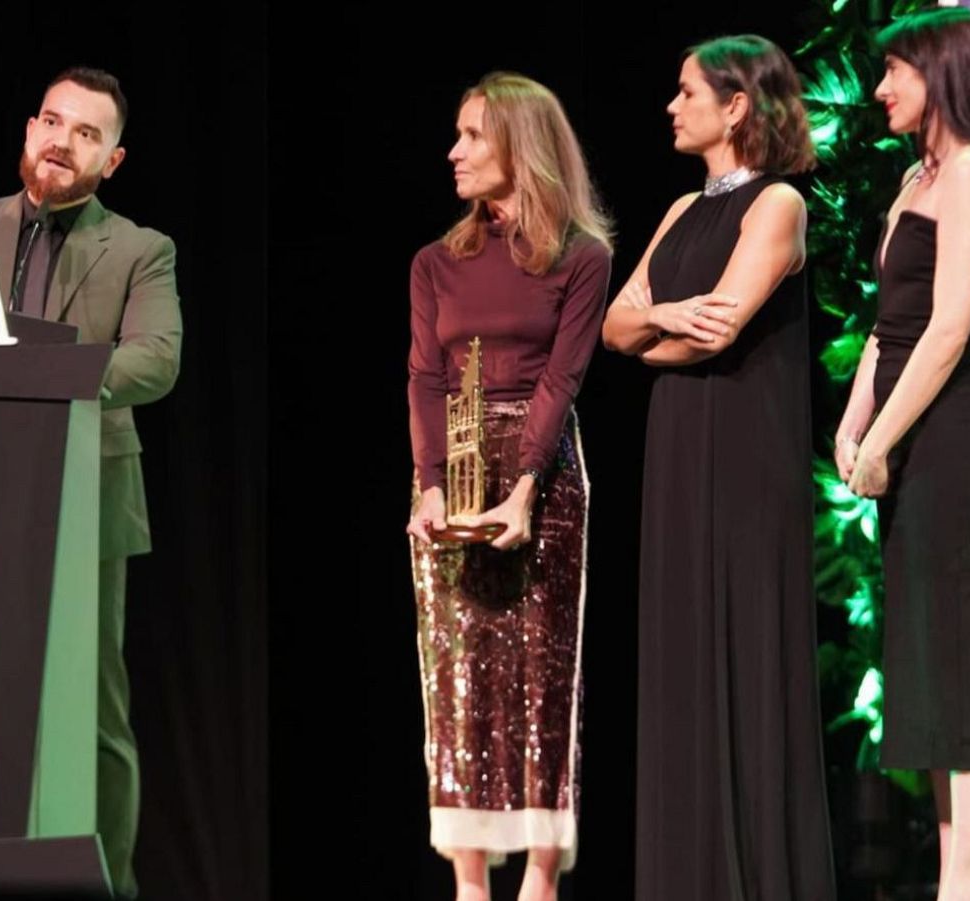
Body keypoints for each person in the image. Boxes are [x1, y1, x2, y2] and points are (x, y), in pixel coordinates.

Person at [0, 66, 182, 900]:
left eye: (86, 133)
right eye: (53, 123)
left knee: (94, 720)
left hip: (84, 497)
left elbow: (157, 359)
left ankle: (109, 884)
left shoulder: (140, 248)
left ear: (113, 159)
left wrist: (41, 370)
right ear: (29, 131)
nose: (62, 142)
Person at [600, 35, 836, 901]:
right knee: (682, 648)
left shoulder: (777, 205)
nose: (672, 104)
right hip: (677, 451)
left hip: (744, 452)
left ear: (736, 105)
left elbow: (719, 329)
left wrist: (653, 334)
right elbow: (614, 331)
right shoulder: (676, 211)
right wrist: (660, 319)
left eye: (687, 90)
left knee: (743, 641)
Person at [839, 8, 970, 900]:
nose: (881, 88)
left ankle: (964, 884)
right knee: (921, 650)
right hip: (903, 429)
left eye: (894, 71)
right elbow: (888, 332)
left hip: (953, 432)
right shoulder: (914, 179)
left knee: (957, 639)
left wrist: (881, 437)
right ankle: (960, 879)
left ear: (940, 71)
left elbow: (950, 326)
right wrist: (854, 425)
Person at [404, 71, 612, 901]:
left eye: (473, 136)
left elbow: (562, 380)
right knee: (456, 677)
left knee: (539, 671)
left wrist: (524, 489)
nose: (454, 152)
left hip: (545, 472)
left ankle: (539, 881)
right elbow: (424, 374)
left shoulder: (582, 258)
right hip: (452, 467)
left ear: (520, 146)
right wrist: (427, 490)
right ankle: (469, 885)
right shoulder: (435, 261)